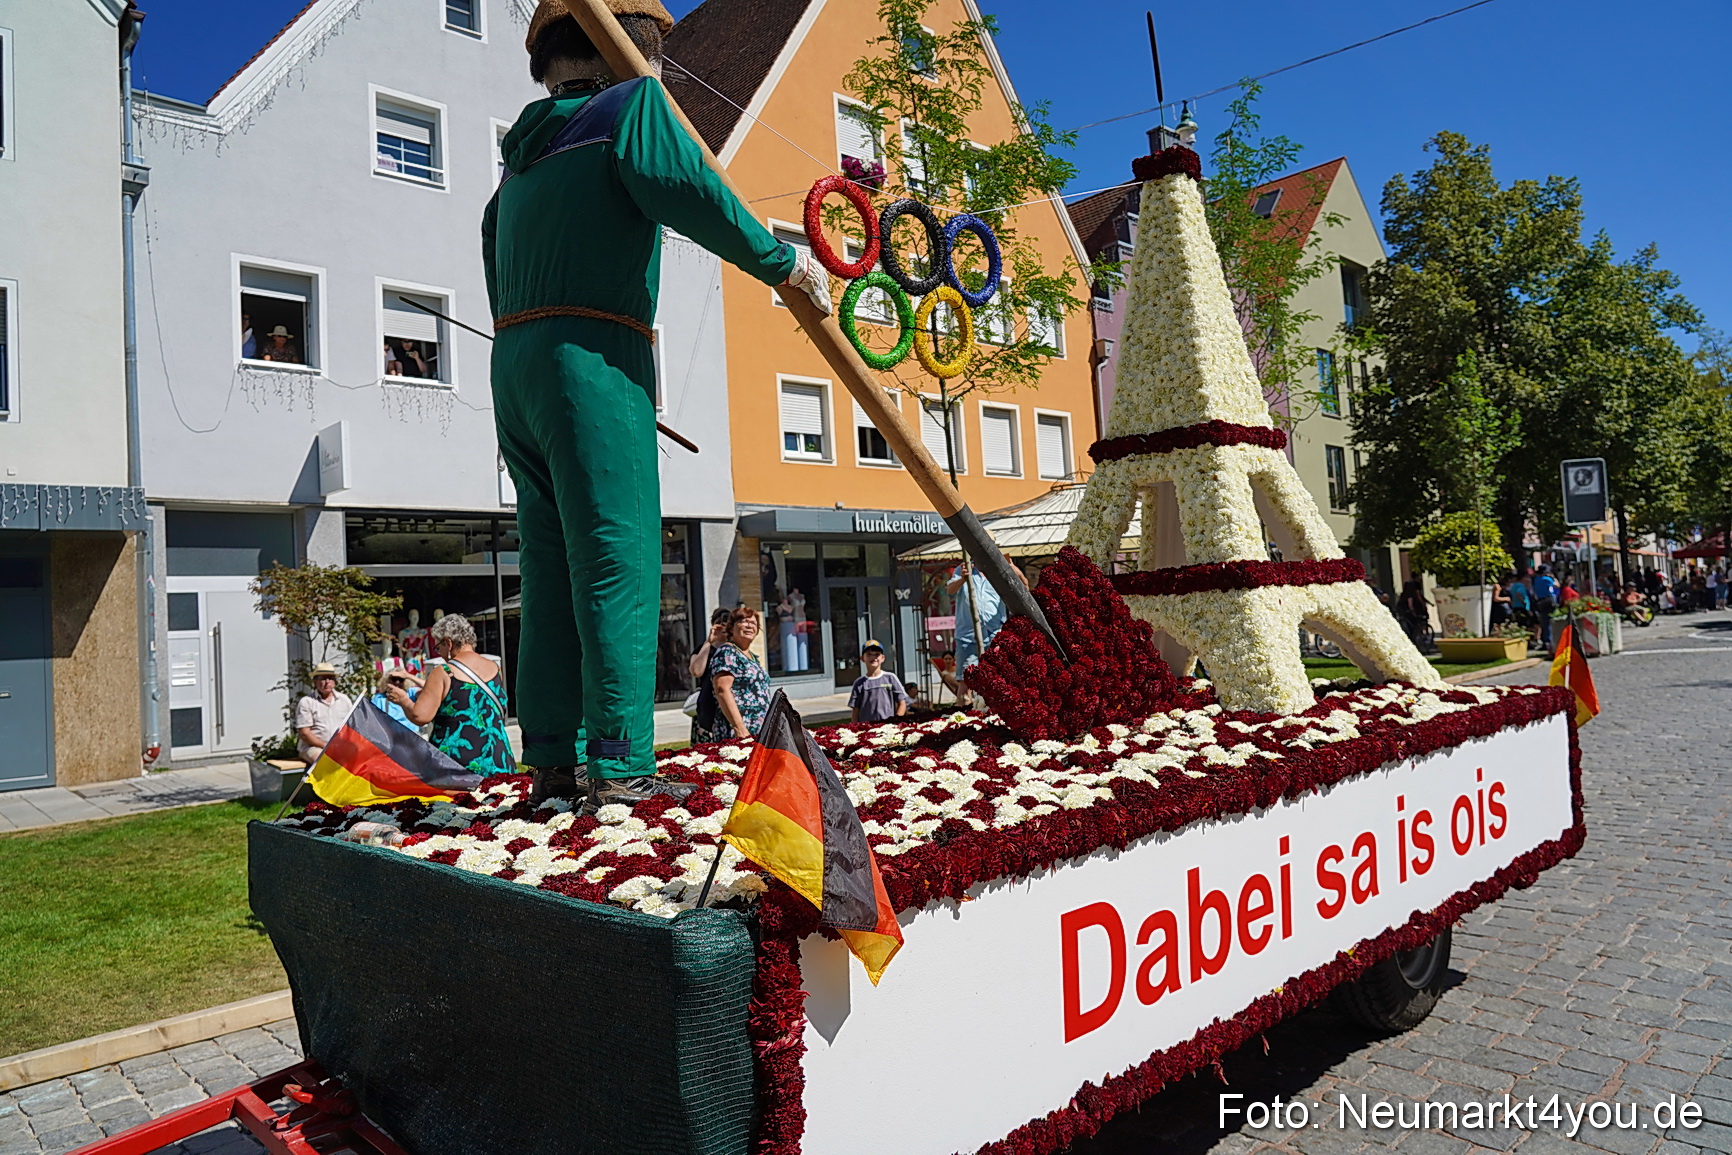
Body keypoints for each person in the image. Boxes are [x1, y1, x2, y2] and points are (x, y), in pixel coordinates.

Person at [486, 1, 832, 809]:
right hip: (596, 357)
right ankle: (619, 765)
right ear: (636, 48)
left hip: (518, 361)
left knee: (548, 566)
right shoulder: (629, 107)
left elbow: (489, 240)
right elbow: (692, 187)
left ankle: (552, 764)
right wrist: (780, 261)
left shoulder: (520, 156)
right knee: (617, 558)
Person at [386, 613, 516, 776]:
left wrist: (403, 699)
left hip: (457, 765)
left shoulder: (444, 673)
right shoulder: (495, 668)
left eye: (438, 647)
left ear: (448, 643)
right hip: (498, 759)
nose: (438, 653)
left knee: (461, 803)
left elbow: (421, 716)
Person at [700, 607, 771, 743]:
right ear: (731, 628)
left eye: (754, 623)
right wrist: (740, 729)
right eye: (744, 621)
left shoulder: (752, 657)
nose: (750, 625)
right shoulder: (727, 652)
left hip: (758, 729)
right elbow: (722, 690)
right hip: (739, 731)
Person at [948, 555, 1025, 668]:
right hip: (968, 636)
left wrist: (1012, 568)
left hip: (995, 634)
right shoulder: (964, 569)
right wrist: (962, 579)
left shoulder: (999, 570)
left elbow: (1024, 586)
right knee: (966, 678)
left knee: (998, 675)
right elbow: (950, 590)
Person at [686, 607, 732, 744]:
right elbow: (696, 671)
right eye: (719, 621)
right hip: (708, 707)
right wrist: (709, 642)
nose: (722, 625)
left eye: (727, 622)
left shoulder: (735, 649)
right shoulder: (704, 649)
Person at [295, 663, 354, 766]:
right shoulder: (307, 702)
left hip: (339, 747)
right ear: (315, 681)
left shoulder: (344, 700)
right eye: (323, 679)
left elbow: (352, 727)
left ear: (335, 682)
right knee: (325, 763)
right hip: (313, 747)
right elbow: (305, 734)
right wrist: (326, 746)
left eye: (330, 678)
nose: (327, 682)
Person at [849, 640, 911, 725]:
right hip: (866, 728)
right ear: (862, 658)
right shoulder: (859, 683)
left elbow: (902, 703)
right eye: (869, 654)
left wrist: (896, 722)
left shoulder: (890, 678)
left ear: (882, 658)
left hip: (888, 727)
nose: (873, 657)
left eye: (877, 654)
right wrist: (854, 728)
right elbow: (856, 710)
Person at [370, 665, 423, 731]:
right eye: (394, 679)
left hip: (411, 736)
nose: (397, 682)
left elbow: (431, 690)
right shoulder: (379, 699)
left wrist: (409, 676)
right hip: (390, 737)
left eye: (401, 679)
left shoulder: (410, 693)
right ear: (387, 681)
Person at [1394, 580, 1432, 649]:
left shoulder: (1403, 595)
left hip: (1405, 613)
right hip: (1411, 614)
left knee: (1410, 628)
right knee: (1416, 626)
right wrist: (1413, 612)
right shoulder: (1411, 595)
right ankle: (1418, 640)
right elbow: (1410, 604)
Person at [1531, 565, 1560, 648]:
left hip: (1540, 601)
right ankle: (1550, 640)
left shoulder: (1536, 579)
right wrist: (1553, 577)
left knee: (1544, 621)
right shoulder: (1547, 579)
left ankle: (1545, 640)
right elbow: (1557, 585)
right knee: (1551, 620)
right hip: (1548, 600)